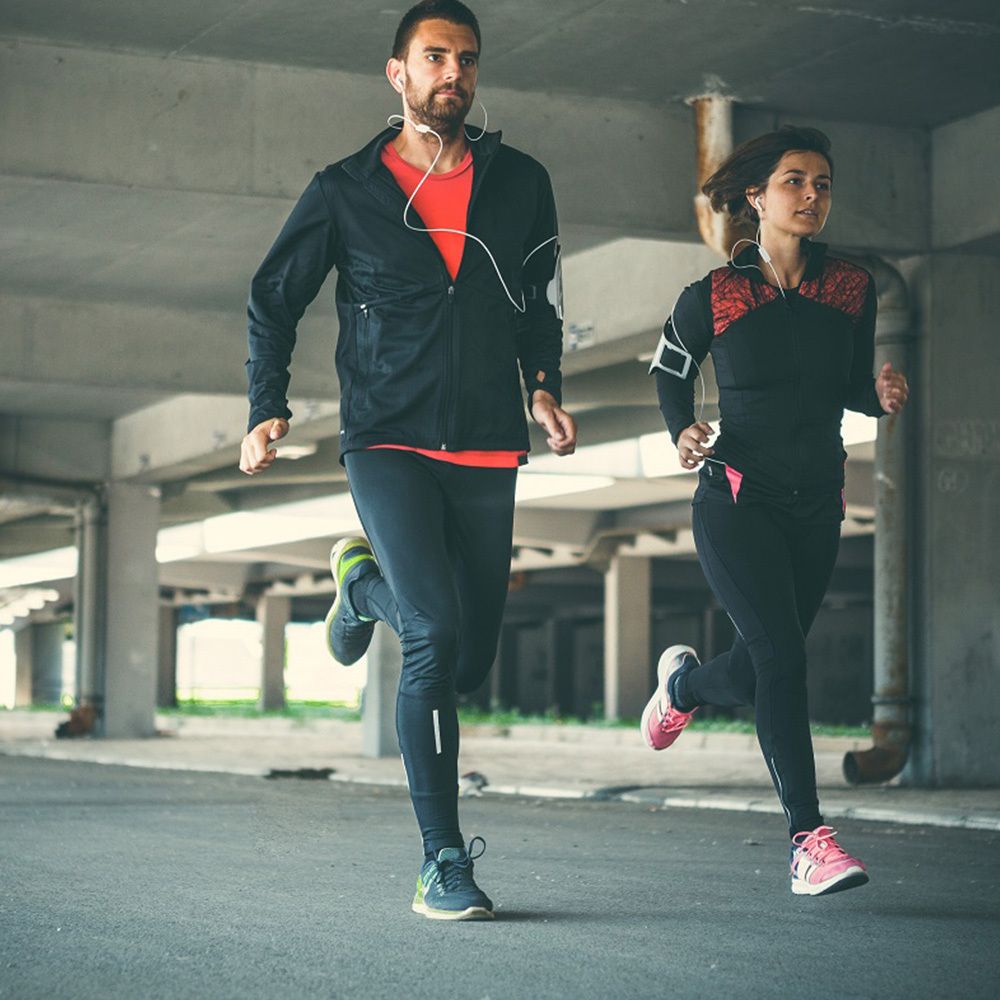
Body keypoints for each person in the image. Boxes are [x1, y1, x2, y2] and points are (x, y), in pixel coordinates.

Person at [239, 0, 576, 920]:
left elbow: (538, 300)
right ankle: (442, 861)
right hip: (384, 434)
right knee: (431, 637)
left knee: (466, 664)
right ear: (397, 73)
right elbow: (275, 297)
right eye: (434, 57)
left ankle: (357, 589)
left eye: (466, 59)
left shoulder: (521, 183)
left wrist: (542, 384)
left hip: (485, 438)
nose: (452, 73)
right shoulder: (346, 187)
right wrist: (268, 407)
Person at [643, 126, 908, 896]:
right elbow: (669, 369)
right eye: (796, 181)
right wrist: (681, 429)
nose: (813, 196)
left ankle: (685, 689)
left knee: (768, 668)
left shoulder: (853, 288)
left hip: (816, 503)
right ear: (756, 197)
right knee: (784, 660)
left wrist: (879, 397)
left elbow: (849, 386)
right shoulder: (715, 295)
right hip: (736, 495)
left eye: (823, 184)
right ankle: (807, 841)